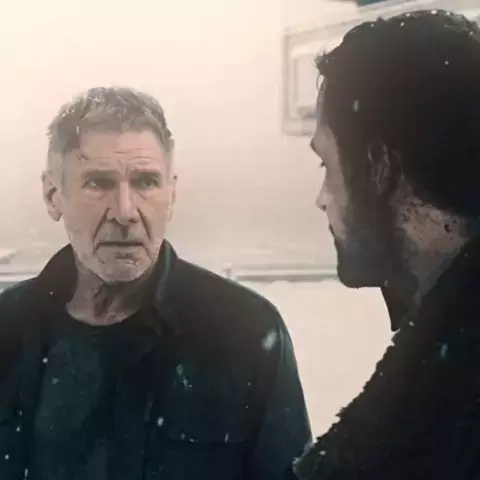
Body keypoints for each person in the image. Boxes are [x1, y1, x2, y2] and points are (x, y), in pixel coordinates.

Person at [0, 86, 311, 480]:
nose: (125, 211)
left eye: (146, 182)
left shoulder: (244, 331)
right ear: (52, 195)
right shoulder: (7, 329)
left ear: (171, 194)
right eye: (99, 183)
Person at [288, 9, 480, 480]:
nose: (321, 199)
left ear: (378, 167)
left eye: (326, 166)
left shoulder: (447, 410)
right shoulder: (444, 368)